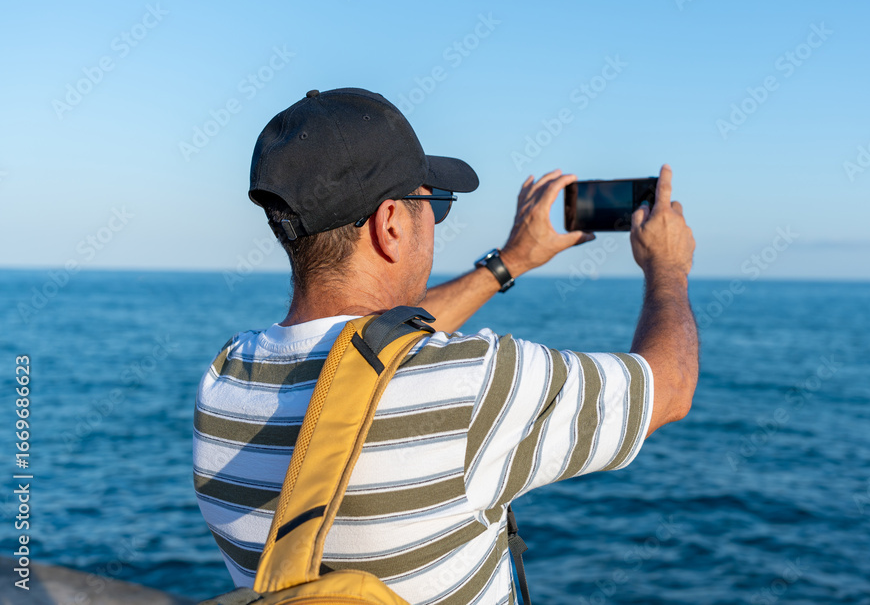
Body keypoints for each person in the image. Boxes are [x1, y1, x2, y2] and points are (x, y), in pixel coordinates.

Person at [192, 87, 698, 605]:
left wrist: (511, 260)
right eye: (431, 202)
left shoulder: (225, 381)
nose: (434, 221)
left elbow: (378, 347)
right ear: (390, 224)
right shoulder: (473, 386)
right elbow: (671, 386)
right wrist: (667, 266)